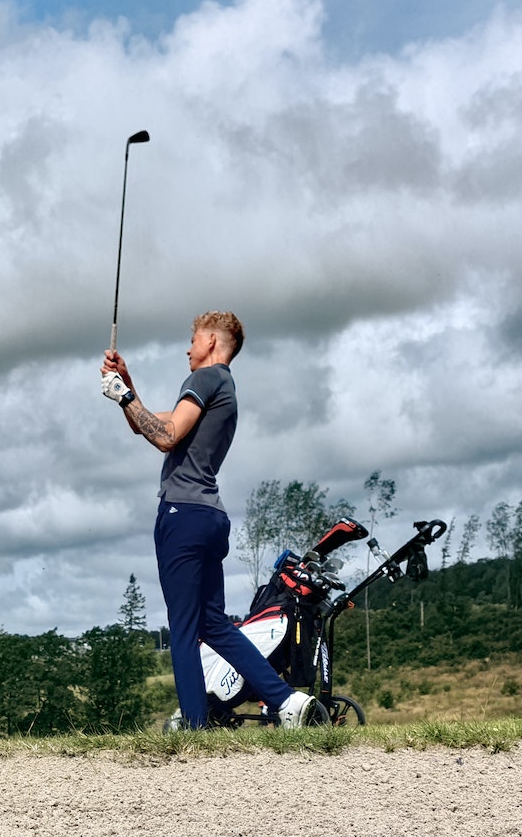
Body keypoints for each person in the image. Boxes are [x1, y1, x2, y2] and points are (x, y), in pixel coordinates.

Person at [100, 310, 316, 730]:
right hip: (210, 517)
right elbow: (152, 426)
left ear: (213, 341)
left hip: (182, 515)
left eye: (194, 339)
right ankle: (285, 701)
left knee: (182, 627)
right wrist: (129, 387)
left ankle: (194, 728)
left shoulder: (203, 379)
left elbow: (165, 437)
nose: (188, 348)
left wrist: (123, 397)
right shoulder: (224, 387)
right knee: (212, 624)